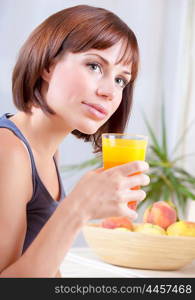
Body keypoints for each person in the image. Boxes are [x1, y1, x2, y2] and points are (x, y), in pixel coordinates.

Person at [0, 5, 150, 277]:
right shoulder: (8, 151)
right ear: (47, 64)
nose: (109, 92)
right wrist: (78, 208)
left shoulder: (46, 151)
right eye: (94, 66)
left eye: (120, 80)